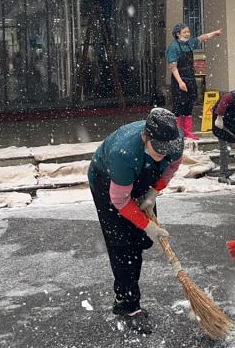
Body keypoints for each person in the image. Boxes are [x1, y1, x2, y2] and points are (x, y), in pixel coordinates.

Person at [87, 108, 185, 335]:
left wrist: (154, 192)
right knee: (122, 245)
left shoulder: (175, 141)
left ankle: (127, 292)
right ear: (145, 136)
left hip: (142, 175)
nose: (163, 154)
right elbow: (120, 200)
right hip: (107, 182)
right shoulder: (124, 153)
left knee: (140, 241)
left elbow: (171, 166)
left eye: (167, 150)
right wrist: (148, 225)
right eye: (158, 149)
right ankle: (128, 304)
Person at [165, 23, 223, 140]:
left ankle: (187, 132)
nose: (187, 34)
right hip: (179, 79)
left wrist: (214, 33)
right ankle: (177, 133)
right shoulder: (173, 47)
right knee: (178, 106)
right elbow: (173, 66)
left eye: (188, 31)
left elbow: (202, 38)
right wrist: (180, 82)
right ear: (177, 34)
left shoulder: (189, 43)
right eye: (185, 32)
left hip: (190, 78)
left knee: (189, 105)